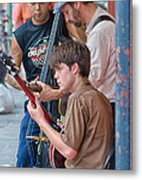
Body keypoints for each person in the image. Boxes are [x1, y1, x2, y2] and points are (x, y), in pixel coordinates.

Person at [36, 2, 116, 160]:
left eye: (66, 12)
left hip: (108, 108)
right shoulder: (99, 28)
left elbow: (91, 79)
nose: (67, 19)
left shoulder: (101, 31)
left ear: (78, 4)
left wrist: (55, 94)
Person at [27, 40, 114, 169]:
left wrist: (40, 120)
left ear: (74, 68)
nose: (55, 76)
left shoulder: (78, 99)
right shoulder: (99, 96)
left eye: (59, 69)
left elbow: (69, 150)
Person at [7, 2, 70, 167]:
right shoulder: (20, 35)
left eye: (41, 3)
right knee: (24, 156)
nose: (37, 8)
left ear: (50, 4)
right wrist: (27, 86)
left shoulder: (62, 22)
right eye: (33, 3)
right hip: (37, 101)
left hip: (63, 99)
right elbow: (10, 76)